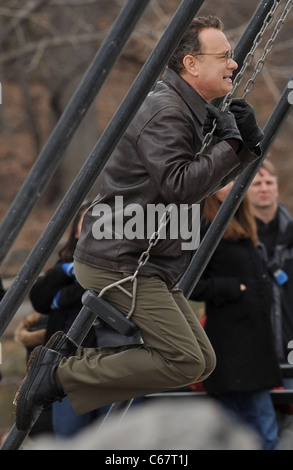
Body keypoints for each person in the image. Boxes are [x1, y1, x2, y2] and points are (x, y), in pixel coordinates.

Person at [14, 15, 264, 434]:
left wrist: (244, 147)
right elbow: (181, 186)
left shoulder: (187, 108)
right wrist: (232, 144)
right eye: (224, 56)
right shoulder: (166, 110)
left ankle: (63, 374)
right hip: (121, 260)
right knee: (184, 358)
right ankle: (60, 375)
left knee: (201, 361)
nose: (234, 64)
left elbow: (195, 183)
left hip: (146, 261)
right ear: (190, 64)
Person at [189, 181, 282, 450]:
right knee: (255, 430)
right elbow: (189, 284)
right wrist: (232, 288)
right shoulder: (205, 228)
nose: (231, 186)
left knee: (257, 429)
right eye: (223, 182)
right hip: (230, 347)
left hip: (255, 346)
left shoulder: (244, 226)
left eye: (234, 180)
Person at [26, 201, 100, 438]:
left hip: (107, 360)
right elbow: (39, 298)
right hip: (67, 366)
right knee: (69, 436)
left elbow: (100, 291)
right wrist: (65, 271)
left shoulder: (122, 262)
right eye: (88, 222)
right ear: (76, 231)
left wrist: (62, 296)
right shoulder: (63, 266)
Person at [247, 158, 293, 363]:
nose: (264, 188)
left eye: (268, 182)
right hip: (251, 349)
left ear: (277, 187)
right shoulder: (234, 237)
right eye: (257, 183)